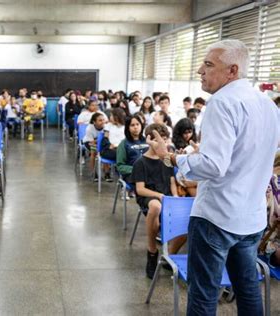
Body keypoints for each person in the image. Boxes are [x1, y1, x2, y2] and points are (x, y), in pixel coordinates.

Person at [146, 39, 280, 315]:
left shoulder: (222, 102)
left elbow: (213, 165)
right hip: (251, 217)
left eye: (208, 64)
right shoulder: (268, 105)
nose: (199, 70)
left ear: (232, 71)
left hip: (217, 217)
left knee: (204, 293)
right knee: (247, 289)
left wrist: (172, 157)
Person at [130, 124, 178, 279]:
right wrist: (158, 195)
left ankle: (170, 255)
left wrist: (176, 197)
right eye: (159, 140)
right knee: (155, 206)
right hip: (150, 197)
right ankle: (152, 250)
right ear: (150, 140)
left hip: (167, 196)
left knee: (189, 214)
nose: (163, 144)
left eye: (165, 140)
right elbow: (140, 189)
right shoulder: (140, 162)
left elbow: (172, 182)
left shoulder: (167, 160)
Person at [116, 115, 147, 185]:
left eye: (137, 124)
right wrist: (136, 169)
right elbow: (120, 166)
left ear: (141, 126)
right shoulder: (123, 144)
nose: (136, 127)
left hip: (149, 172)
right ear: (128, 128)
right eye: (132, 125)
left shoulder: (148, 141)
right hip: (133, 174)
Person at [100, 108, 126, 182]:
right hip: (109, 149)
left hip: (121, 148)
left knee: (127, 153)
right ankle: (109, 172)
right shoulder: (108, 126)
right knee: (121, 154)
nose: (110, 117)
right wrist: (110, 145)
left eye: (111, 115)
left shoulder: (125, 127)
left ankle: (123, 173)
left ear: (117, 117)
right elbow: (105, 138)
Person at [82, 112, 106, 181]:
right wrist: (99, 140)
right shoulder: (89, 128)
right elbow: (91, 142)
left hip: (99, 143)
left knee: (105, 151)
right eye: (100, 120)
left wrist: (98, 141)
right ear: (94, 122)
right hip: (88, 142)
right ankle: (93, 173)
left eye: (103, 120)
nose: (103, 122)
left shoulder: (106, 127)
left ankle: (106, 173)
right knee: (93, 152)